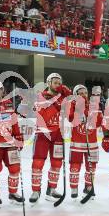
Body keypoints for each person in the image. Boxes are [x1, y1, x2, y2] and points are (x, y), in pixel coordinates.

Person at [29, 73, 71, 203]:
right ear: (49, 83)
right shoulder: (40, 96)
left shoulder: (62, 97)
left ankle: (51, 189)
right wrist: (54, 103)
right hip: (43, 133)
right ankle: (36, 191)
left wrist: (67, 98)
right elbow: (41, 115)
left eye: (59, 83)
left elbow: (69, 115)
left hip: (57, 133)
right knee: (38, 162)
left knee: (57, 163)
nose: (57, 85)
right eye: (55, 82)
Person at [68, 85, 102, 199]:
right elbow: (70, 118)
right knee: (75, 166)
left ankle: (88, 186)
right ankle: (74, 187)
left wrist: (96, 117)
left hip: (91, 143)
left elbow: (98, 123)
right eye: (80, 93)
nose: (83, 95)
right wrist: (77, 115)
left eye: (85, 92)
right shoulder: (72, 105)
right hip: (77, 143)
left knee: (91, 166)